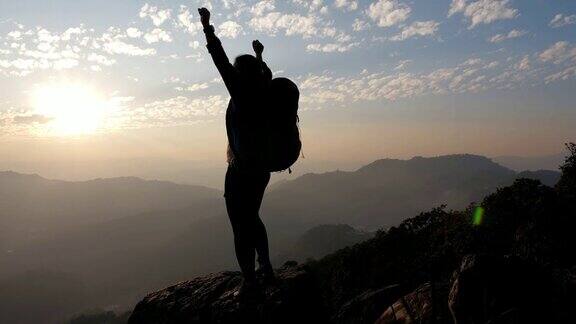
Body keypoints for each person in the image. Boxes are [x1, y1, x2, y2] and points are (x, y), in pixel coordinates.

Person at [198, 7, 275, 296]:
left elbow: (219, 59)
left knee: (239, 226)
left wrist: (207, 26)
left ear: (240, 74)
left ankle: (250, 280)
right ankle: (265, 267)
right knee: (253, 218)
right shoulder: (264, 91)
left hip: (241, 172)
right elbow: (265, 74)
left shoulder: (241, 92)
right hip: (262, 170)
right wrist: (259, 57)